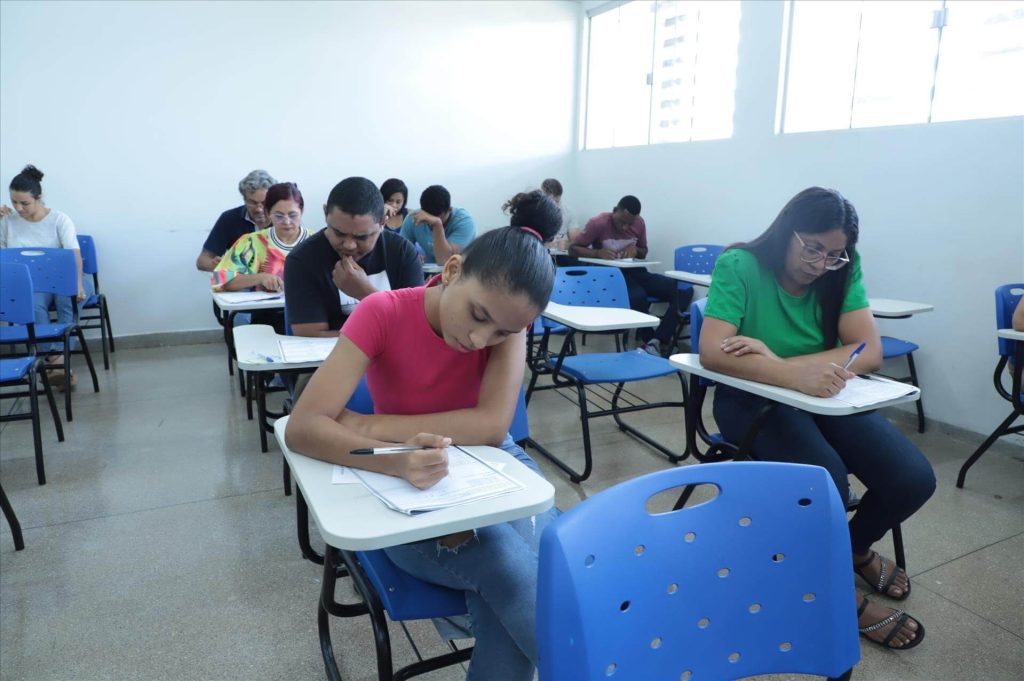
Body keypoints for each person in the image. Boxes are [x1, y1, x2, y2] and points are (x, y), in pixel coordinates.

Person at [285, 190, 563, 681]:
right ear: (452, 270)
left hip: (492, 464)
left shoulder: (508, 320)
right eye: (478, 316)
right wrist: (391, 458)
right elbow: (304, 427)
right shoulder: (384, 312)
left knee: (551, 564)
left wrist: (368, 426)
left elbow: (491, 427)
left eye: (501, 333)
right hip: (408, 484)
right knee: (510, 568)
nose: (480, 340)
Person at [699, 186, 935, 651]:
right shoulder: (740, 264)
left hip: (822, 390)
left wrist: (787, 366)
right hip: (749, 396)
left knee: (913, 479)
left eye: (833, 255)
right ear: (787, 230)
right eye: (812, 248)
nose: (820, 263)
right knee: (825, 480)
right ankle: (835, 590)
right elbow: (712, 352)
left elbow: (867, 350)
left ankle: (852, 548)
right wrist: (789, 374)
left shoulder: (842, 268)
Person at [284, 177, 423, 339]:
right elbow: (310, 336)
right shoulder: (302, 260)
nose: (349, 245)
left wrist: (366, 294)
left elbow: (415, 324)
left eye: (362, 237)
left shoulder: (402, 252)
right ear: (325, 213)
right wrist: (387, 334)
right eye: (339, 233)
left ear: (382, 223)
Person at [0, 164, 93, 388]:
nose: (18, 208)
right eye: (14, 202)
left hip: (68, 278)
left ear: (38, 198)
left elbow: (74, 256)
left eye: (24, 203)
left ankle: (56, 362)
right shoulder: (7, 222)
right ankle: (59, 363)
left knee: (67, 301)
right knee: (33, 306)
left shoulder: (59, 219)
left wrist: (78, 284)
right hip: (33, 285)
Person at [570, 195, 690, 356]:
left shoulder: (639, 223)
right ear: (614, 211)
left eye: (630, 223)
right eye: (621, 222)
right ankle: (651, 341)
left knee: (683, 290)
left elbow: (643, 251)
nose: (625, 227)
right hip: (610, 276)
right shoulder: (598, 223)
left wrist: (636, 250)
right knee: (637, 296)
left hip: (636, 271)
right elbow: (573, 249)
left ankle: (658, 341)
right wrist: (597, 253)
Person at [212, 182, 310, 293]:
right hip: (264, 305)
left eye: (293, 215)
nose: (287, 222)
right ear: (268, 213)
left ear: (301, 211)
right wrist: (260, 277)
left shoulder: (317, 243)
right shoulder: (252, 242)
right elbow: (220, 281)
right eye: (279, 216)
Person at [196, 169, 276, 271]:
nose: (259, 209)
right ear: (244, 199)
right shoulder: (229, 218)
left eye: (264, 203)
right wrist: (223, 266)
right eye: (253, 202)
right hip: (240, 278)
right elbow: (202, 261)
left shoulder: (284, 219)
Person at [398, 184, 476, 263]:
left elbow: (444, 261)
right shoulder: (414, 218)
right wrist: (411, 257)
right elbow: (399, 250)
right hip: (428, 269)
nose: (430, 223)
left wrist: (437, 224)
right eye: (428, 218)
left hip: (460, 269)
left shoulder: (464, 222)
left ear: (450, 209)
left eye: (439, 218)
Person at [541, 177, 579, 245]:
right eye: (551, 202)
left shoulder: (568, 212)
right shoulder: (535, 214)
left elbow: (575, 241)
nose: (555, 206)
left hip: (561, 250)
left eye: (557, 201)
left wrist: (566, 244)